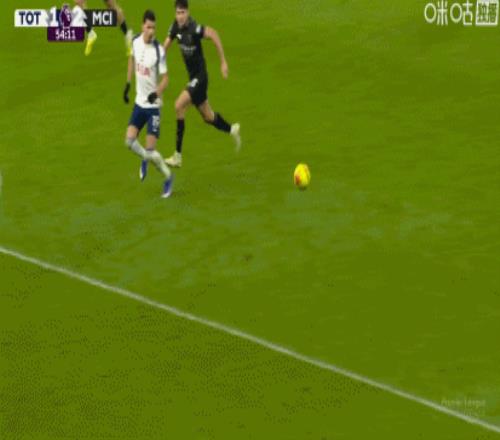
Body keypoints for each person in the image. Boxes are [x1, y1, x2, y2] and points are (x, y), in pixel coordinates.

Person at [162, 0, 241, 168]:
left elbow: (214, 34)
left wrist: (223, 62)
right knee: (208, 117)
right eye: (178, 13)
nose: (180, 16)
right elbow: (165, 46)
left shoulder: (194, 28)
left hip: (200, 78)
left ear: (188, 13)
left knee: (178, 105)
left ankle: (177, 156)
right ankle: (232, 129)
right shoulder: (175, 27)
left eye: (183, 13)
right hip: (193, 79)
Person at [123, 10, 174, 198]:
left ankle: (168, 177)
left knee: (151, 151)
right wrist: (128, 84)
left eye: (154, 28)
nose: (151, 31)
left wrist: (156, 93)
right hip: (139, 104)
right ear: (142, 26)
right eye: (148, 27)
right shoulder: (136, 42)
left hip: (153, 108)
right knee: (129, 141)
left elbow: (166, 79)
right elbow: (131, 60)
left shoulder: (159, 51)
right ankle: (145, 158)